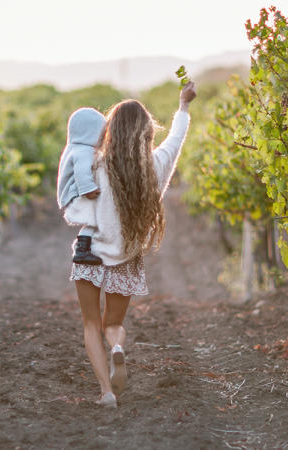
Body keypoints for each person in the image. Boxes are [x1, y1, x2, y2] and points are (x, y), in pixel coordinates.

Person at [68, 82, 197, 408]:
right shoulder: (154, 166)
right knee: (113, 325)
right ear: (145, 133)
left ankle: (105, 393)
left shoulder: (95, 163)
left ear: (110, 130)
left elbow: (71, 186)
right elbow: (176, 139)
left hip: (89, 250)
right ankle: (117, 348)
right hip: (125, 257)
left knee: (90, 324)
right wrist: (183, 106)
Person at [57, 107, 106, 265]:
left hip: (70, 193)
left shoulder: (73, 147)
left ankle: (84, 249)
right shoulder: (84, 151)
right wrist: (88, 189)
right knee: (95, 218)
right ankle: (82, 251)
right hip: (76, 193)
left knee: (92, 221)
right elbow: (82, 173)